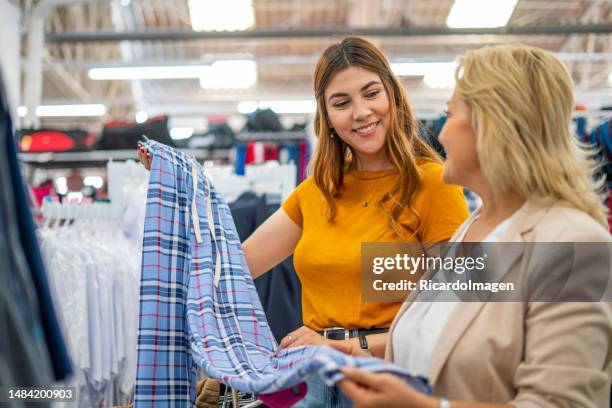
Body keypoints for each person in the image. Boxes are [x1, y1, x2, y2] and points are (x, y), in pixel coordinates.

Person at [139, 36, 469, 407]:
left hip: (389, 380)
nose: (360, 112)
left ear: (392, 95)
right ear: (326, 117)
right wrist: (181, 185)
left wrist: (341, 345)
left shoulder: (434, 184)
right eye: (341, 103)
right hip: (314, 380)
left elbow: (458, 310)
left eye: (371, 93)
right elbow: (232, 269)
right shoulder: (317, 192)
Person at [333, 44, 612, 407]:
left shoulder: (574, 246)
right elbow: (438, 338)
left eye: (450, 115)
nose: (442, 135)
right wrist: (348, 352)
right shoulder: (475, 227)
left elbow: (560, 403)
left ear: (492, 125)